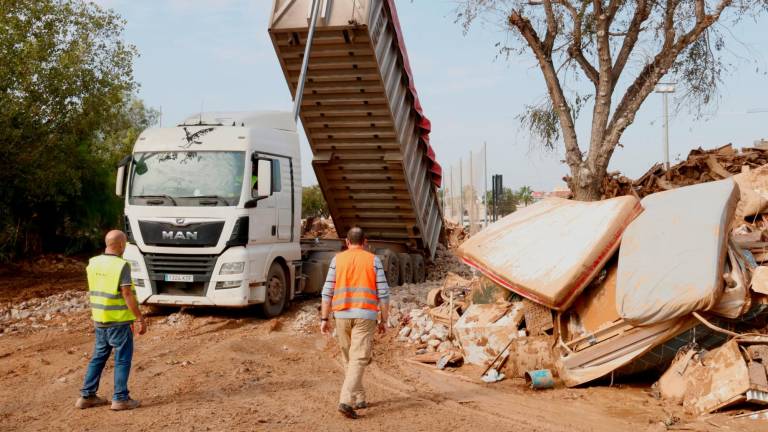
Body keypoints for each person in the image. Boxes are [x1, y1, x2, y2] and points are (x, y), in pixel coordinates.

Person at [320, 227, 390, 419]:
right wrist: (384, 320)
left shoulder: (337, 260)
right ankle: (347, 400)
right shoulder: (373, 260)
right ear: (365, 241)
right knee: (357, 359)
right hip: (365, 316)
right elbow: (383, 294)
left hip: (341, 315)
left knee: (350, 358)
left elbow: (327, 292)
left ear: (347, 242)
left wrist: (324, 318)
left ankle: (357, 398)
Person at [76, 230, 146, 411]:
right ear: (121, 245)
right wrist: (139, 318)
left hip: (100, 319)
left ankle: (87, 396)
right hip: (119, 322)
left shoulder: (93, 263)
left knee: (98, 358)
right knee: (122, 359)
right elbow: (127, 294)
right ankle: (121, 398)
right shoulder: (121, 266)